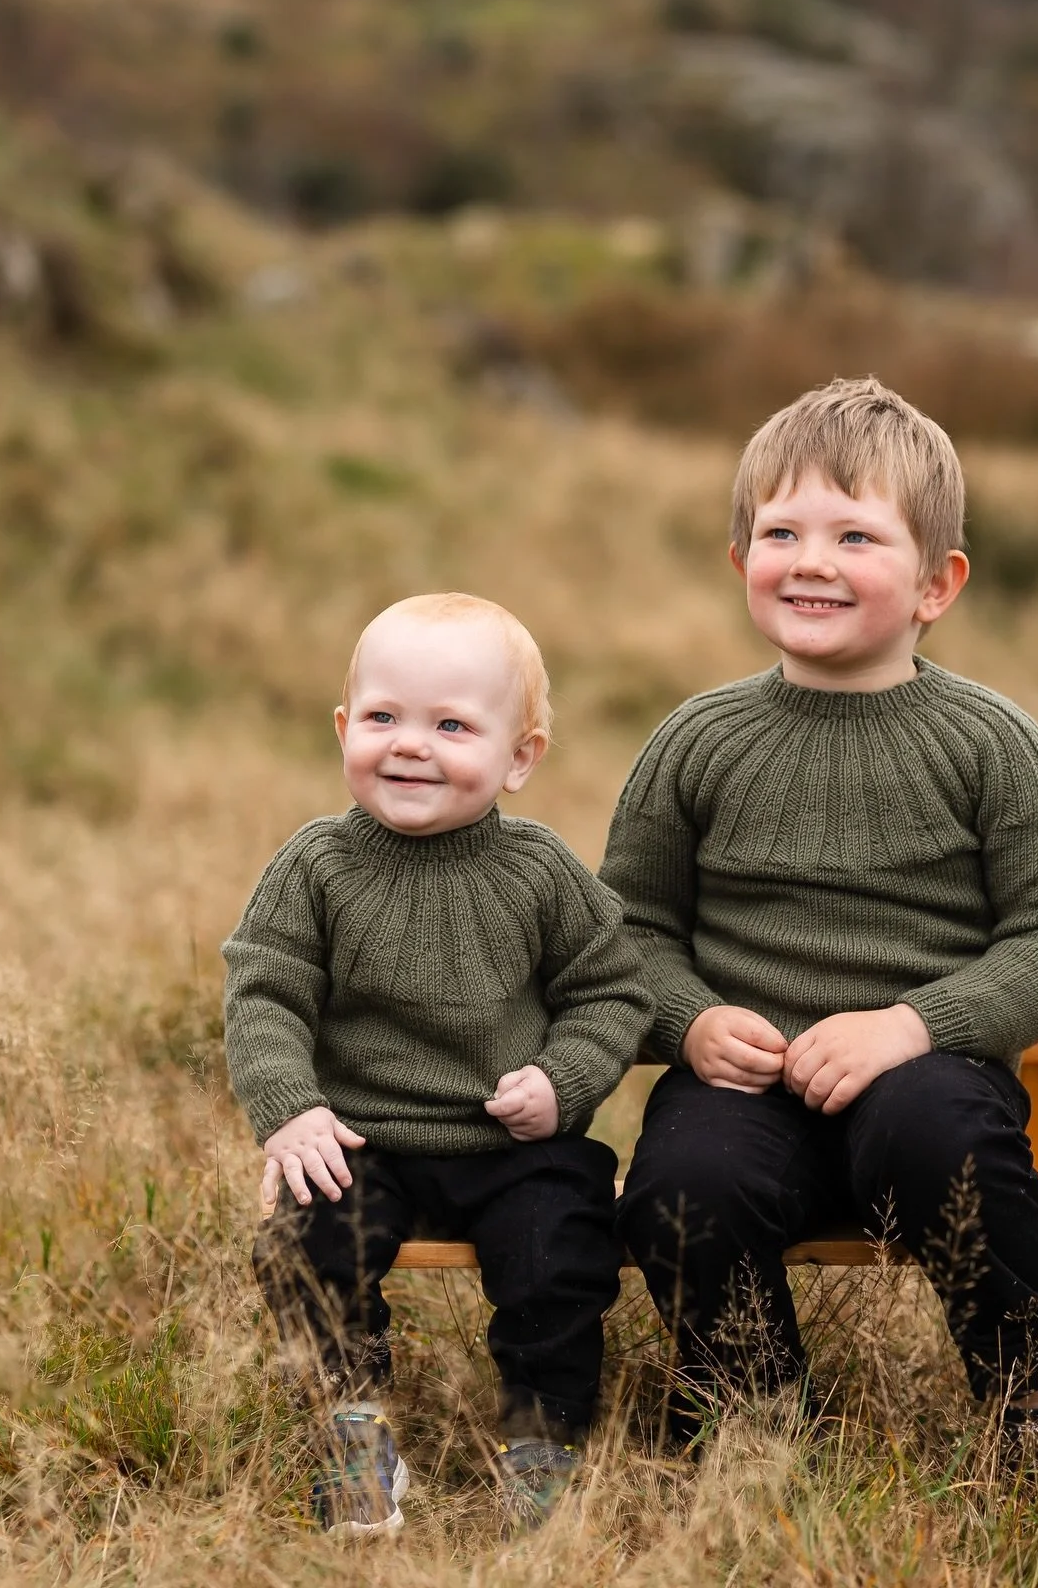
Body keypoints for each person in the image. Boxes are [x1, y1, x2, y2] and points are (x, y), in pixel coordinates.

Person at [601, 377, 1038, 1514]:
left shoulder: (992, 745)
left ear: (939, 583)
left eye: (855, 535)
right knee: (683, 1184)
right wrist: (688, 1019)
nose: (811, 560)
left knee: (944, 1134)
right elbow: (626, 935)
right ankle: (754, 1424)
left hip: (922, 1078)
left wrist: (911, 1025)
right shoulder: (696, 744)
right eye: (780, 532)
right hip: (743, 1087)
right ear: (739, 559)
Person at [223, 593, 652, 1535]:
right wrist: (290, 1109)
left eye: (452, 725)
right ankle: (352, 1437)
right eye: (383, 718)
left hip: (510, 1140)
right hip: (359, 1138)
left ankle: (541, 1446)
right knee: (309, 1243)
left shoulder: (539, 872)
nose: (410, 745)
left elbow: (613, 991)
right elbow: (265, 990)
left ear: (520, 757)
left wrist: (564, 1081)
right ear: (344, 729)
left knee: (559, 1254)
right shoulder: (318, 866)